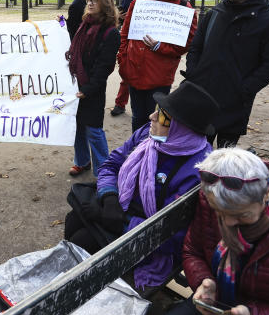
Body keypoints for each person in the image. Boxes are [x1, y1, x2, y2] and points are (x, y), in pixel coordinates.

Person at [141, 148, 269, 315]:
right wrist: (204, 281)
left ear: (267, 193)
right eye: (219, 212)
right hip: (218, 304)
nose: (227, 223)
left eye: (241, 215)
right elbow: (193, 250)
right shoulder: (213, 197)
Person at [65, 81, 218, 288]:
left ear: (182, 128)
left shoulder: (196, 170)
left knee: (82, 240)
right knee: (74, 220)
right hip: (122, 209)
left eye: (162, 116)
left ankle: (76, 293)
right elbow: (111, 164)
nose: (152, 117)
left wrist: (121, 222)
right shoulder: (149, 135)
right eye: (157, 110)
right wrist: (109, 198)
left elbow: (175, 233)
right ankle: (72, 286)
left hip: (148, 236)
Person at [185, 0, 269, 148]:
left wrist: (244, 89)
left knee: (224, 165)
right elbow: (195, 48)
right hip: (202, 99)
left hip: (234, 106)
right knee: (194, 159)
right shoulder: (214, 13)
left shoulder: (268, 19)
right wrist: (194, 75)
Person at [118, 0, 197, 132]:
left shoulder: (183, 7)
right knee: (138, 119)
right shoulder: (138, 2)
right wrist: (123, 60)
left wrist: (158, 47)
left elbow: (185, 45)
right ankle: (137, 155)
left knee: (159, 122)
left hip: (159, 77)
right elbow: (125, 35)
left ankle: (156, 155)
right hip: (134, 72)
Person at [65, 0, 120, 177]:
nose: (89, 3)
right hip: (75, 84)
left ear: (104, 5)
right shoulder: (84, 24)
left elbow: (104, 67)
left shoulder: (111, 33)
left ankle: (103, 172)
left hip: (92, 89)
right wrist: (59, 24)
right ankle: (81, 161)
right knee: (77, 127)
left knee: (94, 131)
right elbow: (68, 39)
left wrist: (87, 89)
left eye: (95, 0)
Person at [112, 0, 146, 117]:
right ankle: (120, 104)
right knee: (127, 76)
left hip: (150, 44)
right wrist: (120, 17)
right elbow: (117, 18)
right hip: (132, 43)